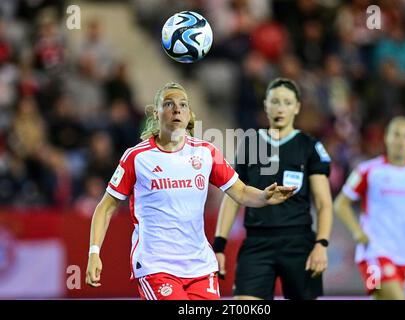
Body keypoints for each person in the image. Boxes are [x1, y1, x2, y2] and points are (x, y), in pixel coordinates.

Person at [85, 82, 297, 300]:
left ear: (189, 114)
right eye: (169, 104)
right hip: (156, 266)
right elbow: (105, 207)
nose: (177, 109)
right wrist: (94, 253)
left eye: (183, 104)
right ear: (155, 113)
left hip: (200, 266)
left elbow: (240, 192)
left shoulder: (205, 153)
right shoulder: (137, 157)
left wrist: (264, 196)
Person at [213, 77, 333, 300]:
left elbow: (324, 203)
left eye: (287, 102)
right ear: (265, 105)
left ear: (297, 107)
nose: (280, 108)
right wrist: (219, 245)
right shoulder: (250, 143)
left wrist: (321, 245)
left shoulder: (309, 146)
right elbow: (232, 196)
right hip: (257, 243)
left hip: (298, 243)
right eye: (275, 101)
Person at [334, 116, 405, 300]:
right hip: (373, 252)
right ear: (386, 138)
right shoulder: (368, 170)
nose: (401, 141)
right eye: (396, 135)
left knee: (379, 297)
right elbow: (341, 204)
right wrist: (357, 232)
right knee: (397, 298)